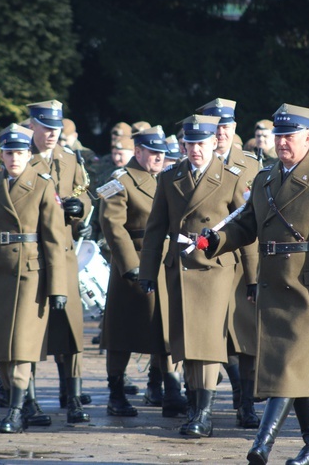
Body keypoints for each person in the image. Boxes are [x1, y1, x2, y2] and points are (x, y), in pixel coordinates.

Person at [202, 104, 309, 465]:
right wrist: (216, 241)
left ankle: (262, 444)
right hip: (275, 286)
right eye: (279, 136)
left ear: (308, 138)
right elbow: (247, 225)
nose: (283, 142)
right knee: (297, 369)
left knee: (289, 367)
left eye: (290, 136)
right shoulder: (265, 177)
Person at [139, 113, 251, 438]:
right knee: (185, 341)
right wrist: (148, 271)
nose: (196, 150)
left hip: (214, 268)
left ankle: (204, 413)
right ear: (183, 145)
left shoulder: (229, 177)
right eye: (190, 144)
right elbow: (155, 228)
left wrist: (253, 276)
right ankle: (193, 405)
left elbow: (245, 226)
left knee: (208, 341)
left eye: (201, 144)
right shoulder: (170, 177)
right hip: (180, 268)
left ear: (214, 143)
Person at [0, 124, 68, 433]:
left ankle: (16, 411)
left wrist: (58, 286)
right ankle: (16, 404)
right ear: (1, 155)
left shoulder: (43, 185)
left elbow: (55, 240)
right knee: (0, 347)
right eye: (9, 153)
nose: (14, 158)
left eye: (20, 152)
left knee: (20, 345)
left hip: (30, 275)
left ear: (29, 154)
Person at [98, 125, 187, 418]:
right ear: (138, 152)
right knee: (122, 331)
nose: (159, 158)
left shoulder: (165, 179)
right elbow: (112, 224)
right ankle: (116, 393)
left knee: (166, 327)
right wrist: (130, 266)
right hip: (134, 263)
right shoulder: (120, 180)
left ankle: (171, 389)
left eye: (162, 153)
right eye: (153, 152)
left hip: (164, 262)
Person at [28, 99, 93, 423]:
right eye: (46, 128)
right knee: (30, 327)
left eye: (56, 128)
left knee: (70, 327)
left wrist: (81, 209)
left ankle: (74, 397)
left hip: (65, 253)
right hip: (32, 253)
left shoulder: (69, 160)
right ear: (32, 126)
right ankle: (28, 398)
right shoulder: (19, 158)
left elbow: (85, 198)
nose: (52, 134)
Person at [198, 98, 260, 428]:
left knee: (244, 335)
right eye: (215, 126)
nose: (221, 132)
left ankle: (246, 402)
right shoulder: (193, 160)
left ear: (235, 128)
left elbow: (253, 226)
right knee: (208, 332)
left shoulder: (250, 167)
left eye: (227, 126)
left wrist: (254, 276)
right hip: (205, 261)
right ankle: (213, 397)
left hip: (240, 261)